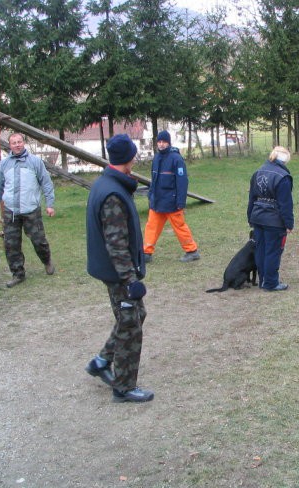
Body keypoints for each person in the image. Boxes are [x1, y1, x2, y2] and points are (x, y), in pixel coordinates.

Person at [85, 134, 154, 403]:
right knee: (130, 324)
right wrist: (130, 280)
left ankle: (102, 360)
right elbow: (116, 243)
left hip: (112, 270)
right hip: (117, 273)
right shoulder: (112, 193)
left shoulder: (106, 183)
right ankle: (124, 387)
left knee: (137, 315)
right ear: (130, 158)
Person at [0, 132, 56, 288]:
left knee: (39, 241)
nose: (17, 145)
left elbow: (46, 183)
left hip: (31, 209)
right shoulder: (4, 164)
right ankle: (18, 274)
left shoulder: (35, 162)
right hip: (10, 211)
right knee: (11, 244)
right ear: (10, 145)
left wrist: (50, 204)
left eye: (19, 142)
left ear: (23, 143)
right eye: (14, 142)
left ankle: (47, 260)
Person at [143, 130, 200, 263]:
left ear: (169, 143)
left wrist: (181, 201)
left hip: (171, 202)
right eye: (159, 142)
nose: (161, 144)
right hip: (157, 201)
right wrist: (151, 195)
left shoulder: (176, 159)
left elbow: (182, 182)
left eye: (164, 142)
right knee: (151, 226)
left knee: (180, 227)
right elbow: (153, 179)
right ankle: (146, 253)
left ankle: (192, 251)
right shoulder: (156, 158)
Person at [247, 146, 294, 291]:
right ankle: (271, 283)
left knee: (261, 250)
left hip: (258, 218)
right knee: (273, 251)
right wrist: (289, 223)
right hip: (274, 221)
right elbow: (285, 204)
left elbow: (252, 198)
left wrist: (250, 217)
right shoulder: (283, 177)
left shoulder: (258, 172)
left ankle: (262, 280)